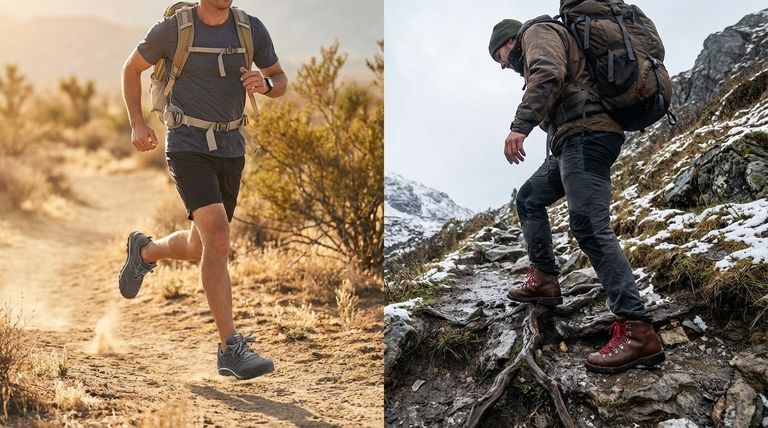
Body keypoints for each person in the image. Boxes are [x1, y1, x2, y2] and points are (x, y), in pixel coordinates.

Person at [119, 0, 287, 380]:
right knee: (220, 236)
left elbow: (279, 79)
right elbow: (131, 68)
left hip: (231, 148)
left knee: (202, 245)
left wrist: (266, 84)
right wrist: (137, 123)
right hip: (187, 143)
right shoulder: (175, 28)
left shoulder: (250, 28)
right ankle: (230, 349)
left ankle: (145, 251)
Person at [488, 17, 665, 374]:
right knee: (529, 199)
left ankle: (638, 330)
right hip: (571, 140)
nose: (504, 65)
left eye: (501, 55)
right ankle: (545, 280)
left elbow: (549, 73)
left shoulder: (536, 33)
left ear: (512, 40)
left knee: (588, 224)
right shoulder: (545, 39)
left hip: (587, 134)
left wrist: (518, 127)